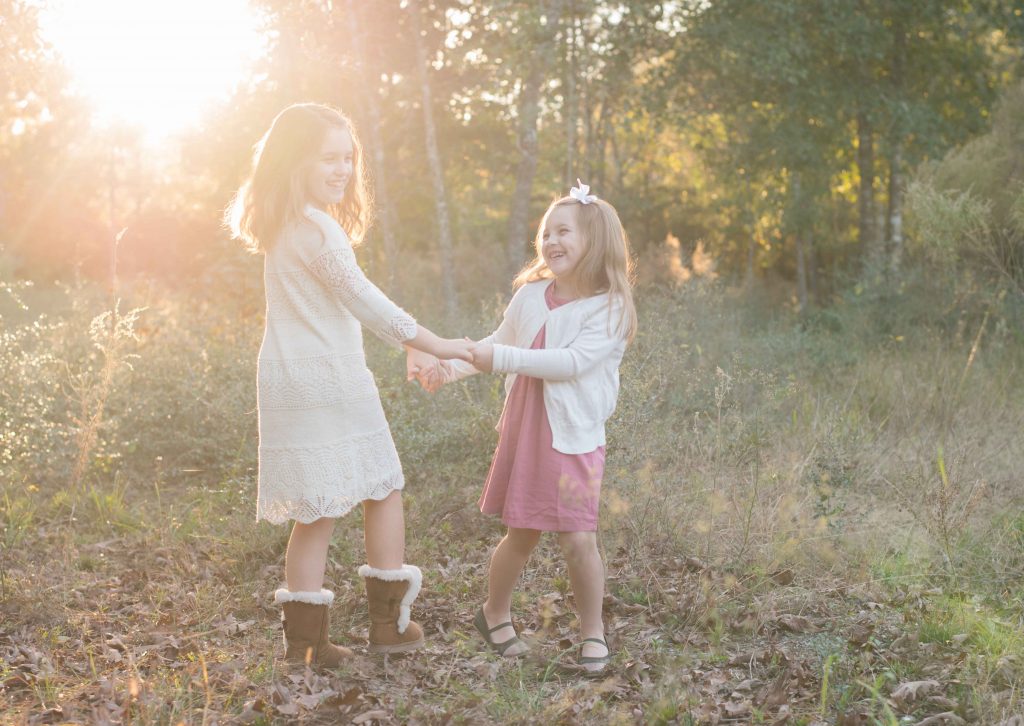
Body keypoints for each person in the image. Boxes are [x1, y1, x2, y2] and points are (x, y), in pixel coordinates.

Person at [226, 102, 472, 666]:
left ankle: (306, 646)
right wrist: (433, 342)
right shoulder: (318, 229)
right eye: (327, 158)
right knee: (382, 486)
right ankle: (388, 626)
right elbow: (363, 300)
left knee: (316, 509)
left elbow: (346, 301)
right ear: (294, 163)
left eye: (347, 157)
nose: (342, 169)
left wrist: (410, 344)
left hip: (288, 379)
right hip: (328, 380)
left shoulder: (287, 226)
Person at [427, 180, 637, 675]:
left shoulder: (609, 308)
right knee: (519, 534)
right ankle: (493, 614)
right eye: (546, 233)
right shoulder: (531, 296)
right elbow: (498, 341)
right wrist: (447, 366)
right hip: (526, 427)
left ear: (597, 242)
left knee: (578, 537)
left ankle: (593, 633)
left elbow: (570, 362)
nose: (551, 242)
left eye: (563, 231)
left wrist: (498, 357)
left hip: (573, 434)